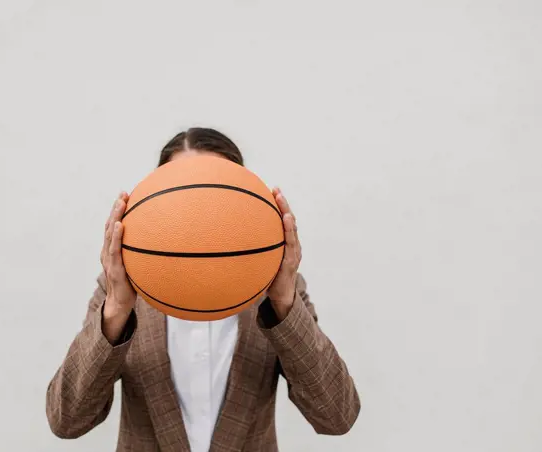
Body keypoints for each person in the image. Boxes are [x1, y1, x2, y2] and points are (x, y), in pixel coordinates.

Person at [46, 128, 361, 451]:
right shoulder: (119, 292)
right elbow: (67, 421)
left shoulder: (279, 292)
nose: (201, 220)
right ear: (156, 206)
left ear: (243, 204)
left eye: (214, 201)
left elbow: (336, 417)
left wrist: (283, 301)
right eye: (185, 198)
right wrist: (115, 310)